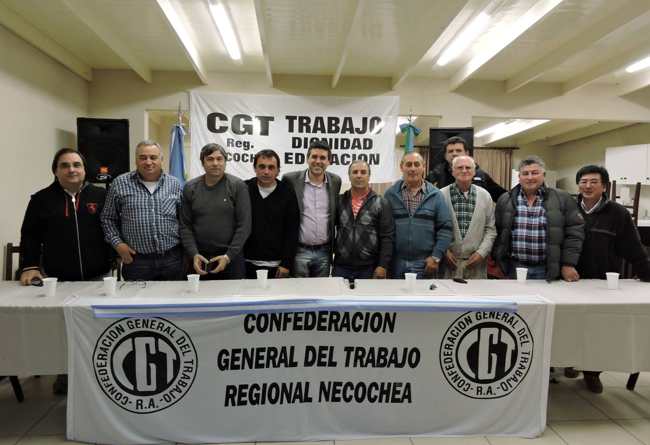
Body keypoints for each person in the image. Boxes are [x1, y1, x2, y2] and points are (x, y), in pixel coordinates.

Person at [19, 148, 111, 395]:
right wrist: (30, 266)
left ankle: (100, 379)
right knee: (64, 331)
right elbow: (29, 236)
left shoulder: (101, 195)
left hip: (98, 277)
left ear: (84, 170)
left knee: (98, 330)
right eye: (65, 165)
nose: (71, 169)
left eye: (76, 165)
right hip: (58, 280)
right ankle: (65, 377)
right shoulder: (41, 200)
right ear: (55, 170)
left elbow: (113, 228)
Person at [572, 165, 650, 393]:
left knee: (599, 330)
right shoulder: (568, 208)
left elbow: (633, 247)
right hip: (569, 279)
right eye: (583, 181)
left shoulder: (617, 213)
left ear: (604, 186)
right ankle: (569, 362)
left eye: (593, 182)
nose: (588, 186)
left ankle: (593, 372)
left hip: (602, 282)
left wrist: (646, 272)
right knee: (569, 325)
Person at [101, 140, 184, 281]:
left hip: (172, 259)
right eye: (143, 157)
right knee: (137, 296)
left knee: (173, 295)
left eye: (153, 157)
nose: (148, 162)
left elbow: (183, 219)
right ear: (136, 160)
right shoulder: (120, 183)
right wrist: (118, 244)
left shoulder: (174, 183)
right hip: (136, 261)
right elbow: (108, 218)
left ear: (161, 159)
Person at [492, 155, 584, 281]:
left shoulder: (562, 198)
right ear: (519, 177)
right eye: (525, 173)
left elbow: (574, 233)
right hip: (514, 268)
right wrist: (497, 262)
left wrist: (568, 264)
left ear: (543, 175)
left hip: (547, 269)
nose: (530, 177)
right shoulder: (505, 199)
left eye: (535, 173)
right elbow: (497, 233)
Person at [180, 143, 251, 280]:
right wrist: (193, 254)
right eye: (210, 159)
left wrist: (228, 256)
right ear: (202, 162)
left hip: (231, 258)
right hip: (199, 259)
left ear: (225, 162)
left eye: (219, 159)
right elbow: (185, 226)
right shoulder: (190, 187)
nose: (215, 163)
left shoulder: (238, 186)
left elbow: (244, 225)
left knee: (232, 294)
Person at [384, 151, 453, 278]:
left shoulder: (436, 195)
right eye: (408, 164)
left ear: (423, 167)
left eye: (416, 164)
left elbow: (445, 228)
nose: (412, 168)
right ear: (401, 167)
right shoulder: (390, 195)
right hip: (395, 263)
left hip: (426, 263)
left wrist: (436, 256)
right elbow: (384, 230)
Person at [284, 140, 341, 277]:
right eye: (314, 156)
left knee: (320, 288)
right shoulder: (290, 180)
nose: (318, 161)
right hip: (299, 250)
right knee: (299, 288)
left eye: (323, 158)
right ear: (307, 159)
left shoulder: (335, 181)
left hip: (324, 252)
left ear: (329, 161)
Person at [333, 160, 394, 280]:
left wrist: (382, 265)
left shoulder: (381, 202)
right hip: (341, 266)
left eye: (363, 172)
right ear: (349, 176)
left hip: (369, 267)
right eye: (355, 172)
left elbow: (387, 236)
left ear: (369, 176)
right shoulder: (339, 201)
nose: (359, 175)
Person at [244, 149, 299, 279]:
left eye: (271, 167)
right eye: (262, 166)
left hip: (277, 265)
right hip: (246, 263)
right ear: (255, 168)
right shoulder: (244, 188)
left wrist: (286, 263)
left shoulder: (287, 192)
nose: (266, 171)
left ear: (278, 170)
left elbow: (292, 230)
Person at [440, 155, 496, 279]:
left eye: (468, 167)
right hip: (448, 265)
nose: (464, 170)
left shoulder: (485, 196)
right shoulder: (440, 195)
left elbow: (490, 229)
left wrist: (481, 253)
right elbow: (433, 228)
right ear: (452, 171)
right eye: (460, 167)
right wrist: (443, 251)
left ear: (474, 171)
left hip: (477, 265)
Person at [426, 136, 506, 202]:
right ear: (445, 155)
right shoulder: (436, 175)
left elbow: (502, 197)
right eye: (450, 151)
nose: (454, 153)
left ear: (467, 153)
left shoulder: (480, 175)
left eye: (458, 150)